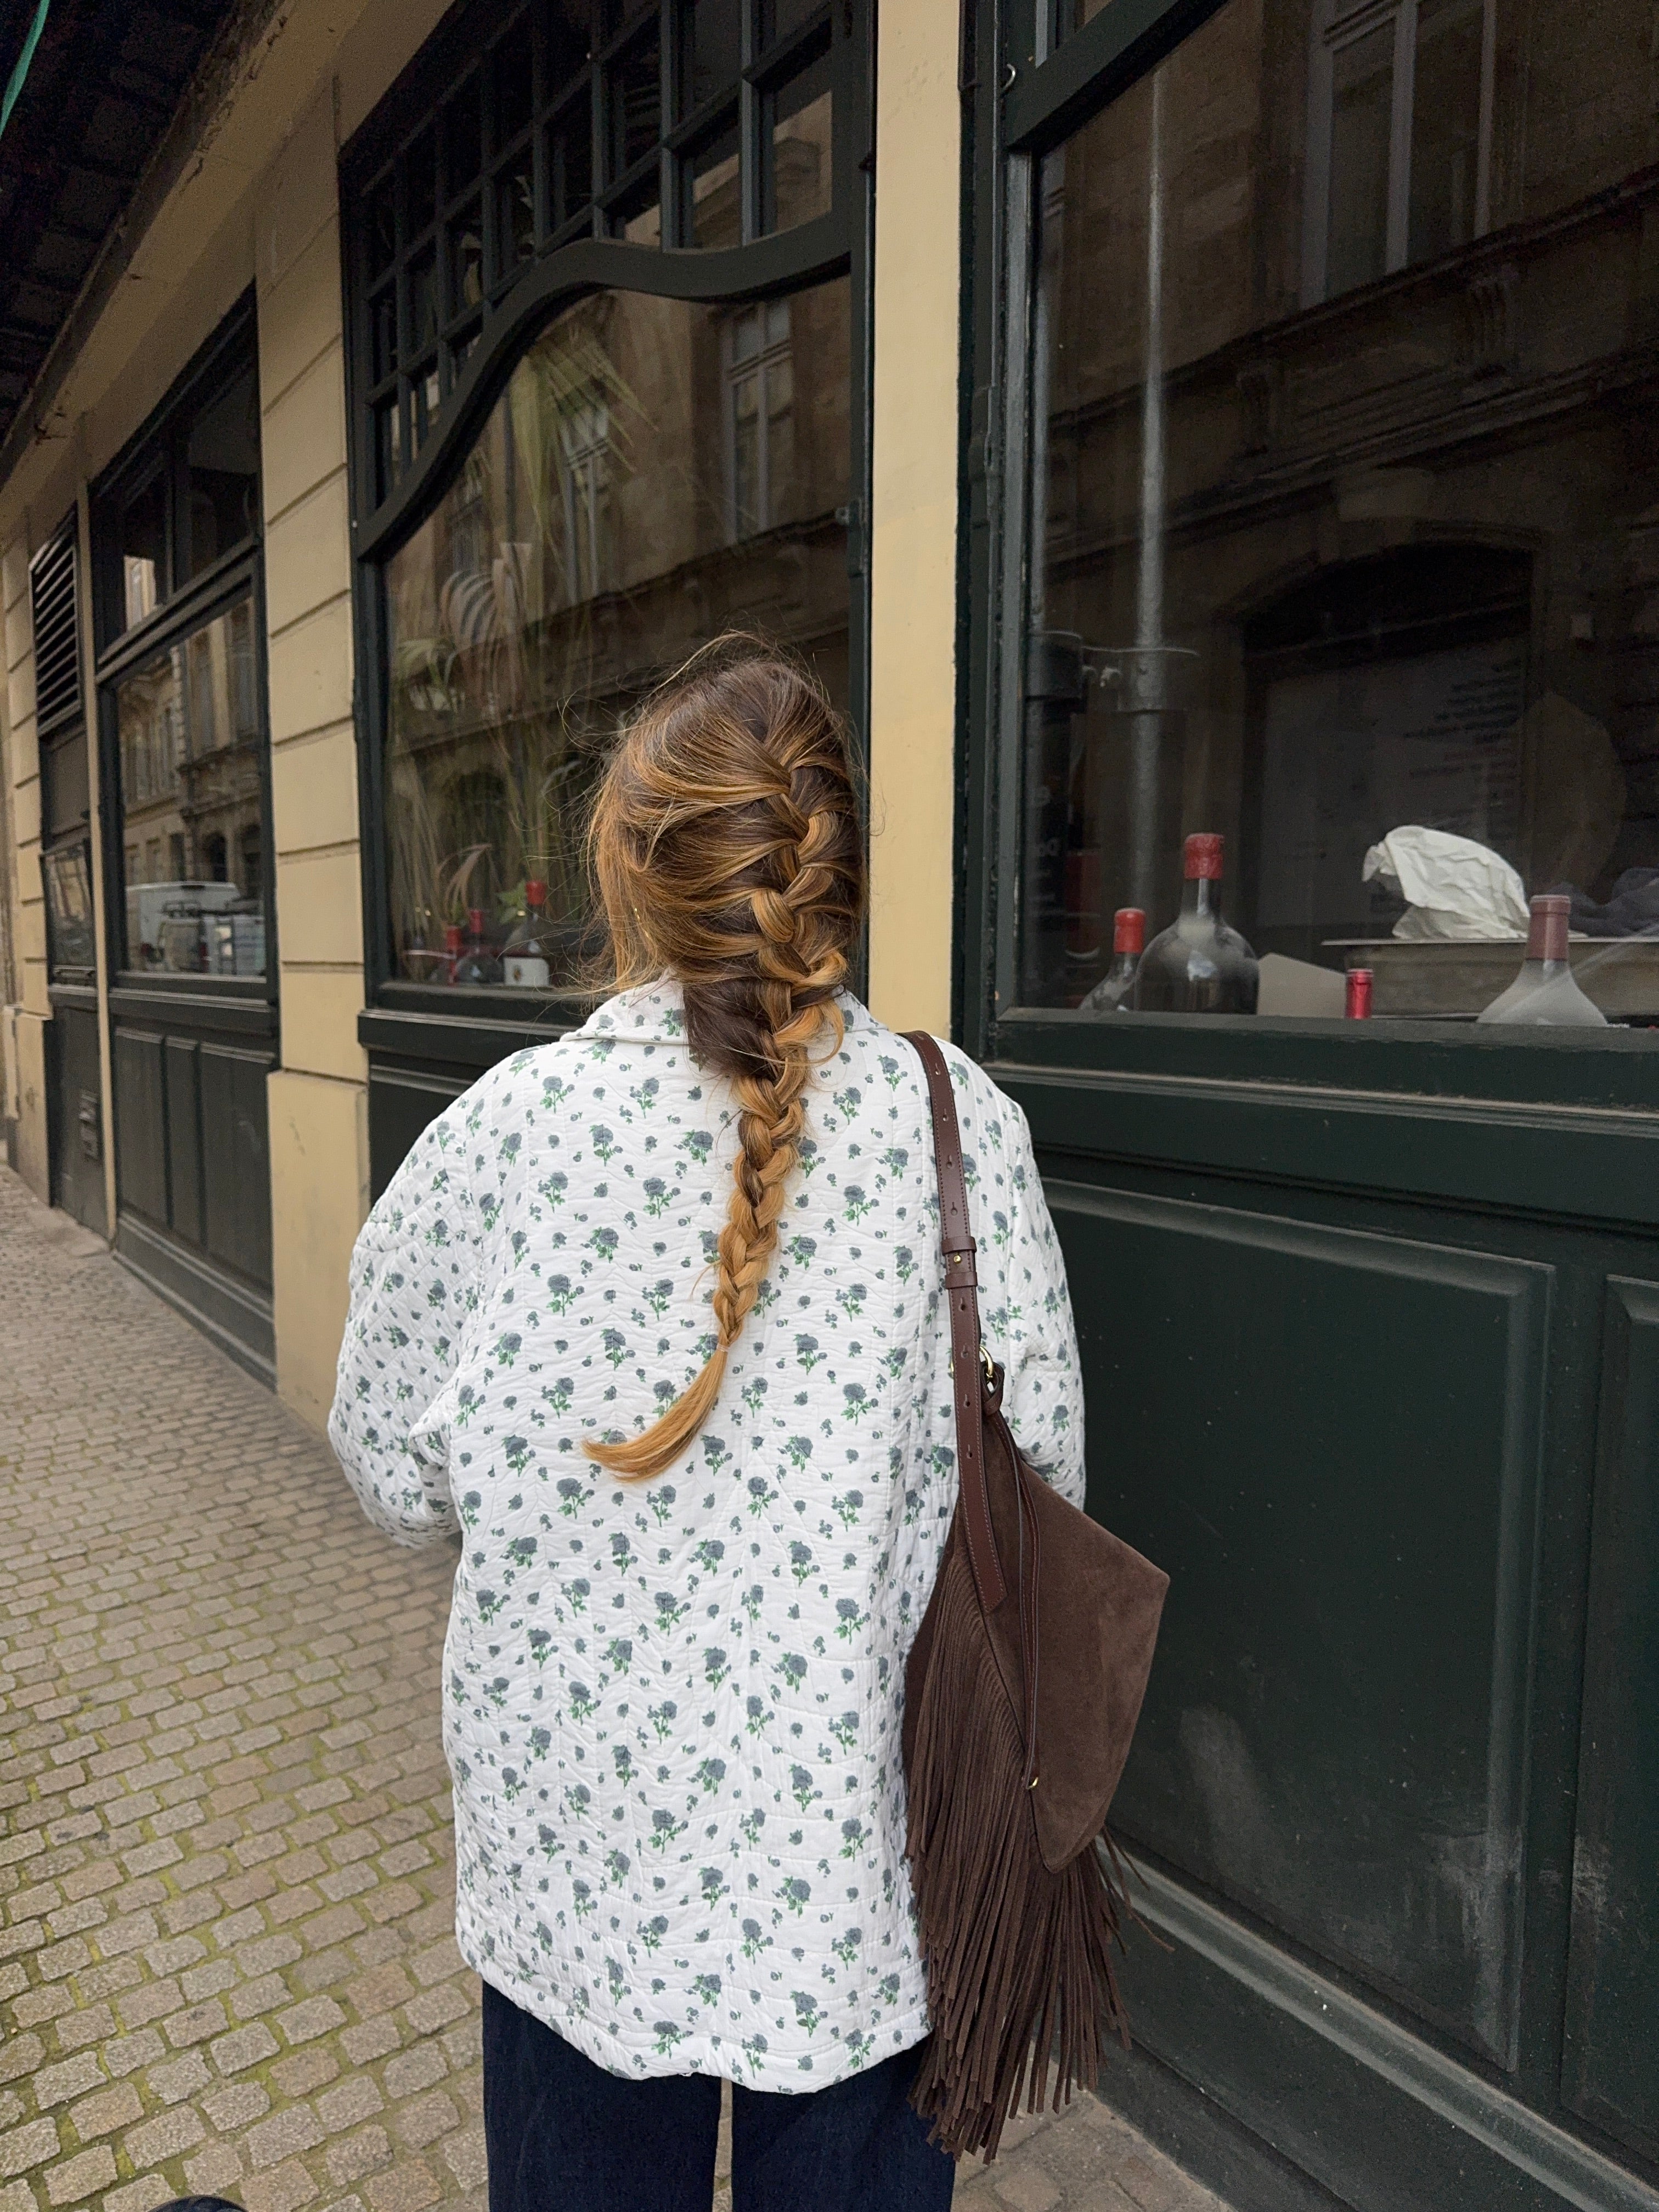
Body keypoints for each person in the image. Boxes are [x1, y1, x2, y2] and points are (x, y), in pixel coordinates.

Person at [329, 639, 1086, 2211]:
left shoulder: (505, 1138)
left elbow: (390, 1472)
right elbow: (1049, 1486)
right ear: (836, 868)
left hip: (581, 1869)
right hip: (864, 1873)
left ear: (627, 867)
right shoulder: (967, 1131)